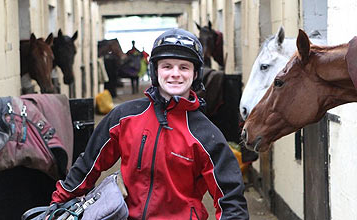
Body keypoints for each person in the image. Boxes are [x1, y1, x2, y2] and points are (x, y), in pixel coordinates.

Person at [50, 28, 249, 219]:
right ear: (155, 70)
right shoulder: (124, 116)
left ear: (196, 74)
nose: (175, 74)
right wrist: (56, 205)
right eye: (167, 66)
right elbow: (88, 165)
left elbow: (231, 199)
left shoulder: (206, 135)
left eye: (184, 67)